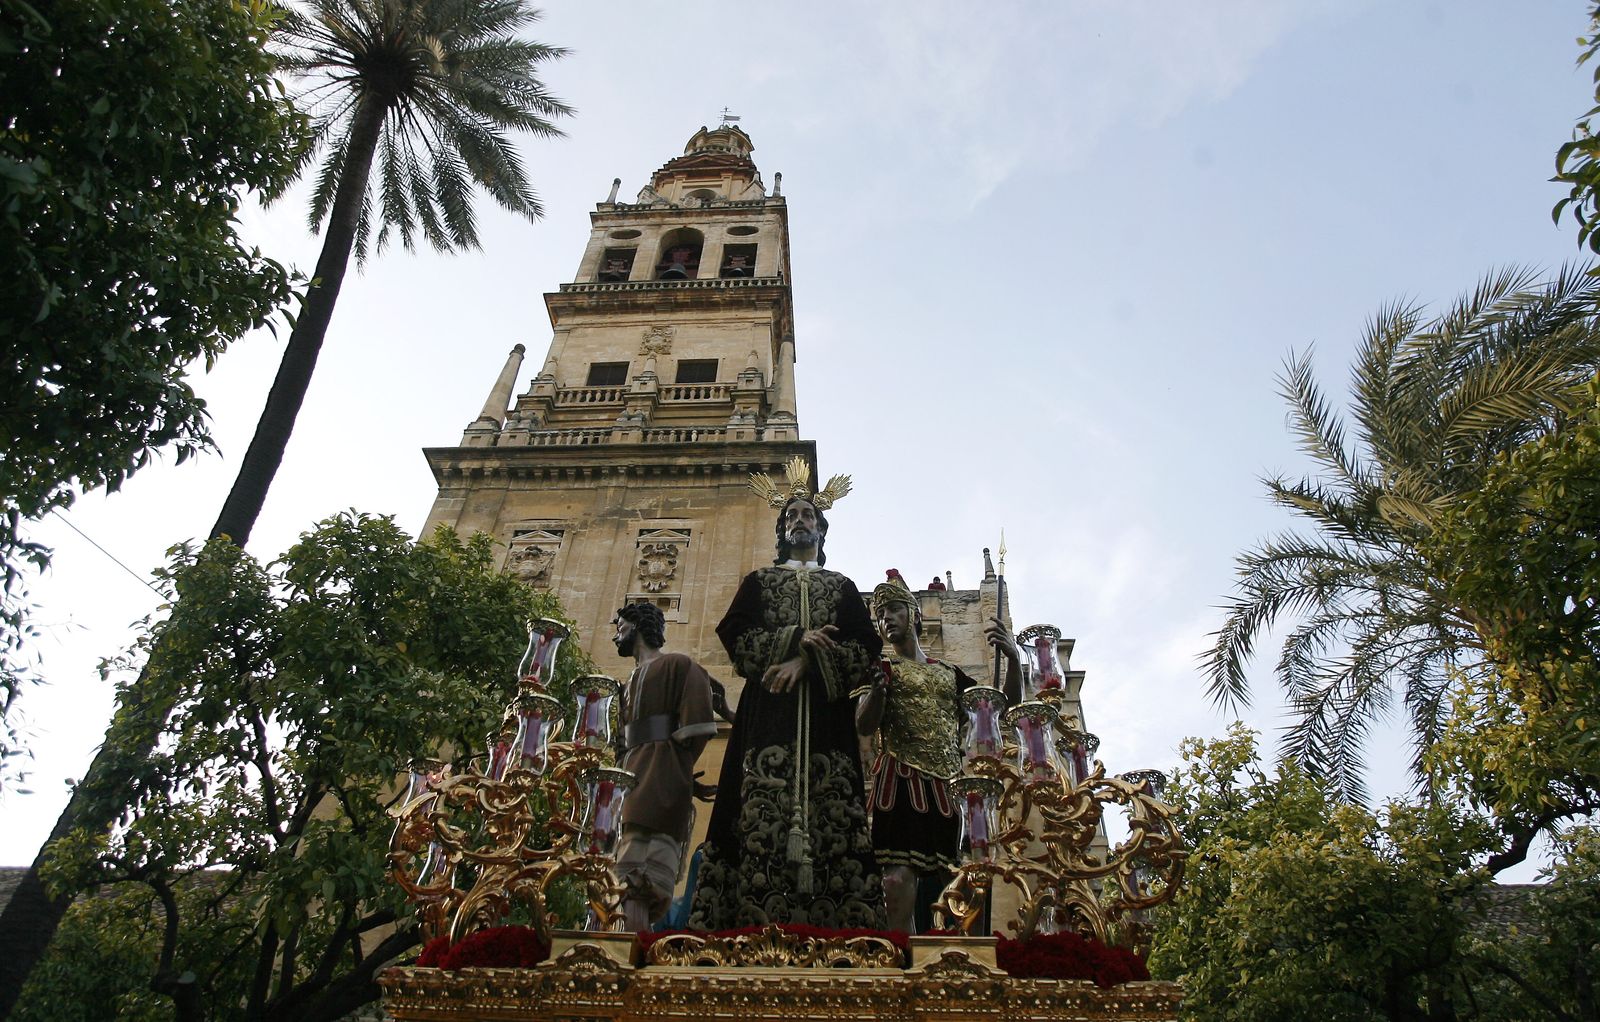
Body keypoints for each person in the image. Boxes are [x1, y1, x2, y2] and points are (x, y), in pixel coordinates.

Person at [687, 472, 886, 929]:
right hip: (768, 716)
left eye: (808, 515)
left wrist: (806, 664)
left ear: (820, 529)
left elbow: (865, 647)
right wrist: (797, 639)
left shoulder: (841, 587)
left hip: (827, 724)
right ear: (781, 531)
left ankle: (841, 928)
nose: (799, 521)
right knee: (756, 810)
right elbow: (734, 632)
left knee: (835, 814)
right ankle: (748, 924)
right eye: (791, 515)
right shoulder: (758, 581)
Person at [856, 568, 1022, 933]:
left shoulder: (949, 673)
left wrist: (1012, 659)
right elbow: (864, 724)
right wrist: (879, 692)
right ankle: (900, 962)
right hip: (898, 781)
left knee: (960, 882)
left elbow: (1000, 708)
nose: (886, 621)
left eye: (894, 611)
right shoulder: (881, 669)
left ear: (913, 615)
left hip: (948, 787)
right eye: (881, 616)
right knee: (896, 882)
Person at [611, 602, 719, 931]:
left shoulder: (679, 665)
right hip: (628, 776)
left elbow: (697, 726)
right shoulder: (625, 683)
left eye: (621, 625)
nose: (616, 633)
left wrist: (677, 769)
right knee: (620, 866)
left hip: (658, 776)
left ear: (639, 626)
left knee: (641, 872)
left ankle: (633, 944)